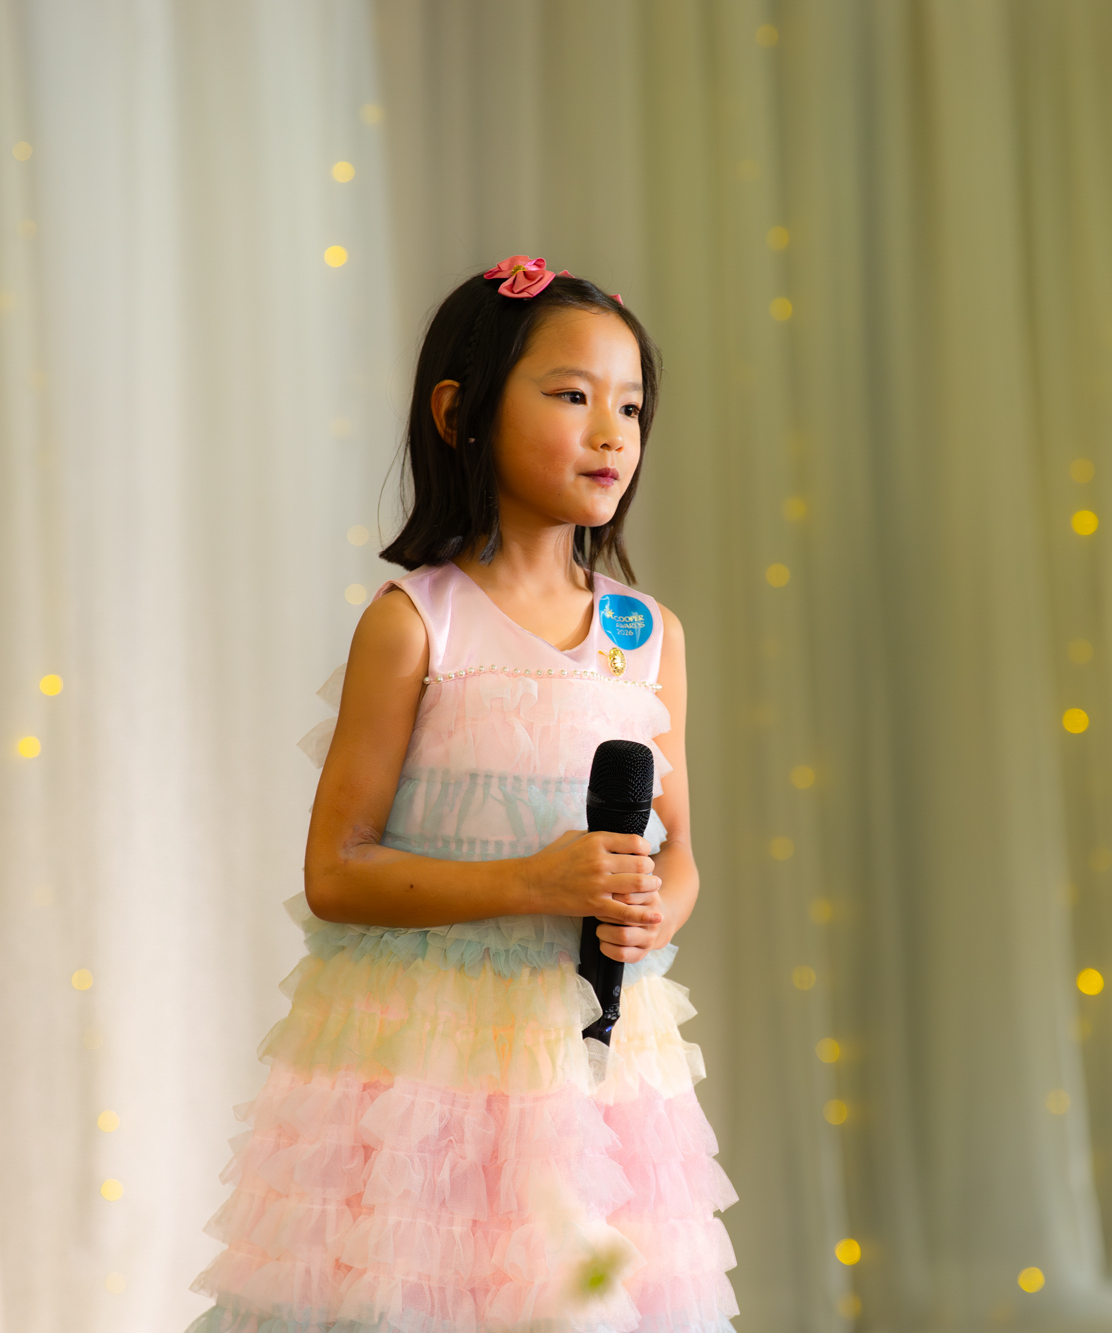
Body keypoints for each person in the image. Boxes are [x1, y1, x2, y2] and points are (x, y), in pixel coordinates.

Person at [185, 257, 737, 1332]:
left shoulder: (646, 634)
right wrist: (534, 881)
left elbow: (677, 849)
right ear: (460, 413)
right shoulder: (416, 624)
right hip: (422, 1060)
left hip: (588, 1061)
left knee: (567, 1292)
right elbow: (336, 872)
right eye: (572, 395)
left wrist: (655, 909)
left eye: (630, 407)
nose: (612, 433)